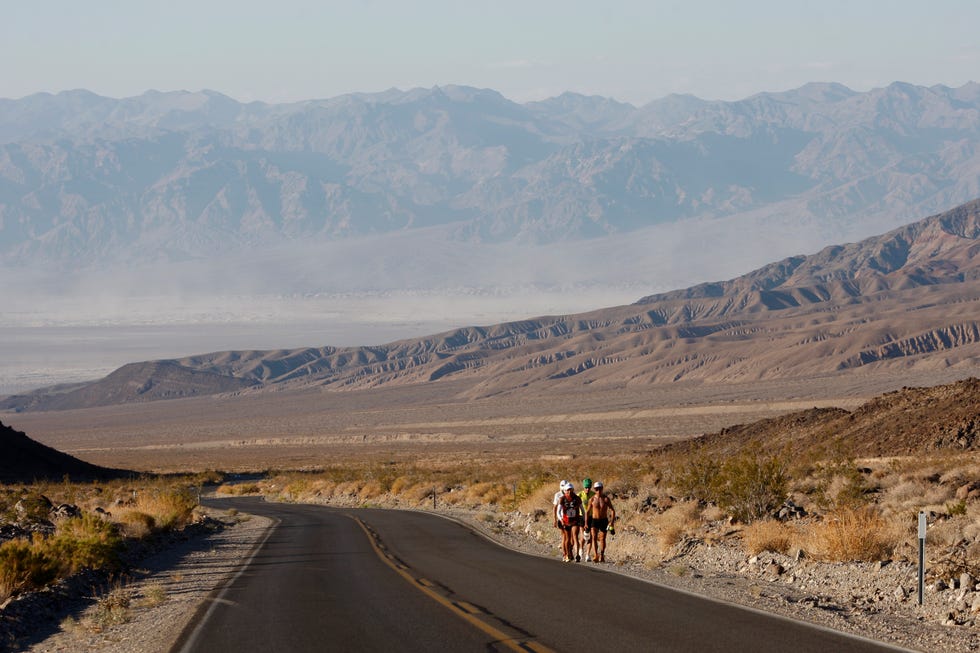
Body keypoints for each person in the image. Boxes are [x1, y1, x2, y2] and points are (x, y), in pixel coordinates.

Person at [586, 481, 616, 562]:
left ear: (602, 488)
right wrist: (586, 523)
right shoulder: (591, 499)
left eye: (600, 489)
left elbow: (612, 510)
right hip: (594, 520)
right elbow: (587, 512)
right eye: (596, 489)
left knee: (603, 539)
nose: (598, 490)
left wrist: (612, 522)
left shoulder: (606, 499)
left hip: (603, 520)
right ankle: (596, 555)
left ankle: (602, 555)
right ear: (595, 489)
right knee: (594, 537)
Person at [556, 481, 584, 562]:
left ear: (573, 490)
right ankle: (567, 554)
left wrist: (584, 520)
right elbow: (558, 511)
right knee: (567, 539)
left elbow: (582, 509)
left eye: (571, 490)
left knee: (575, 537)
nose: (569, 491)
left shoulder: (577, 498)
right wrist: (561, 520)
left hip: (575, 521)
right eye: (568, 490)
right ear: (565, 491)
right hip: (566, 521)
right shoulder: (562, 499)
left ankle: (577, 555)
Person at [578, 478, 595, 561]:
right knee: (583, 536)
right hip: (582, 516)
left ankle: (587, 555)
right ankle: (581, 551)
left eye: (589, 487)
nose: (587, 489)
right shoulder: (579, 495)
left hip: (591, 517)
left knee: (590, 536)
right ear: (583, 487)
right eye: (586, 487)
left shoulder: (593, 494)